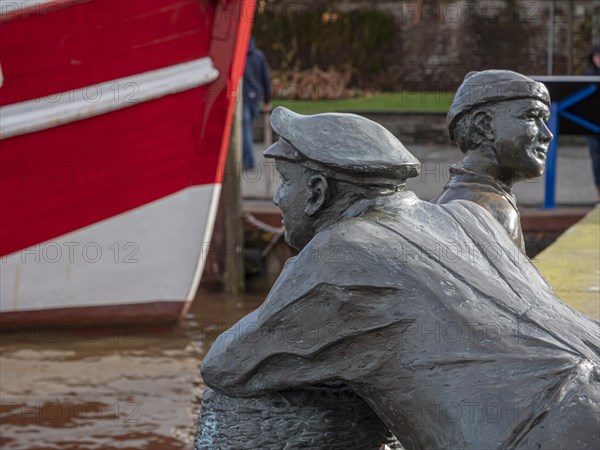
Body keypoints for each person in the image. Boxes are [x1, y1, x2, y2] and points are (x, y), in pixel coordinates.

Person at [202, 107, 599, 450]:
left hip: (537, 430)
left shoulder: (342, 252)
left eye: (286, 182)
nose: (276, 199)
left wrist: (297, 273)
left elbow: (227, 364)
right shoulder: (468, 216)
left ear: (317, 191)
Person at [431, 70, 553, 252]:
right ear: (485, 124)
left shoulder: (448, 199)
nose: (547, 135)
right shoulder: (494, 210)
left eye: (545, 120)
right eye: (531, 116)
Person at [242, 37, 271, 169]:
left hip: (242, 99)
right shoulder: (259, 56)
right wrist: (267, 100)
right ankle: (246, 159)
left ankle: (248, 162)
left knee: (245, 130)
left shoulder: (239, 56)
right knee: (247, 129)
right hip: (255, 98)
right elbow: (266, 78)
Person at [584, 44, 600, 202]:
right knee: (596, 159)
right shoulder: (587, 76)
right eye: (596, 56)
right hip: (591, 125)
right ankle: (598, 191)